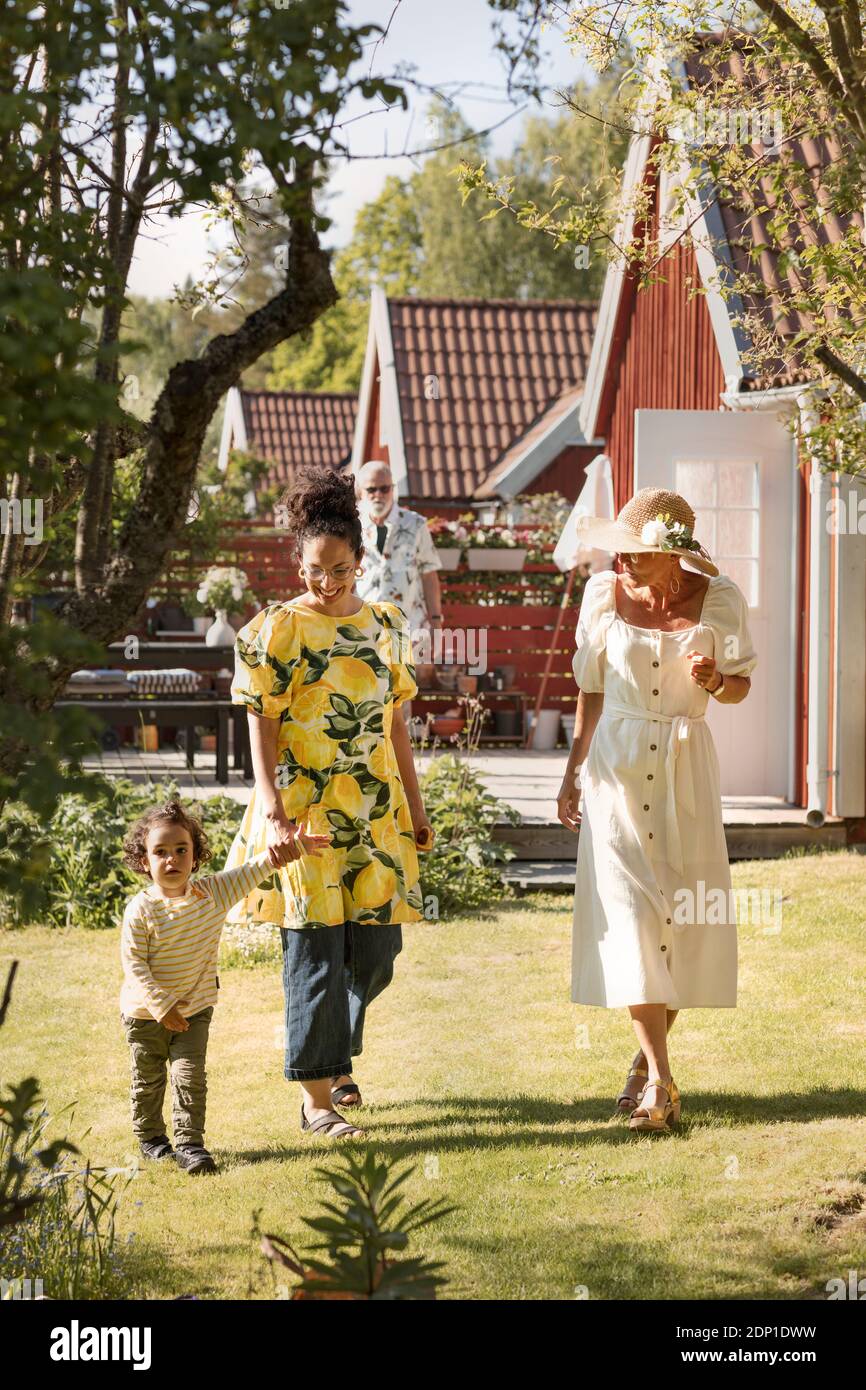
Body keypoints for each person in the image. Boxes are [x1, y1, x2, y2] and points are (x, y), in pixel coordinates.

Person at [223, 467, 434, 1140]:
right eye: (315, 570)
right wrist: (272, 811)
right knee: (313, 950)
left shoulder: (389, 625)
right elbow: (261, 719)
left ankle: (333, 1050)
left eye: (339, 569)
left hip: (375, 810)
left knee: (376, 954)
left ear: (360, 561)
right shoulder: (278, 629)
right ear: (301, 562)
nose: (326, 582)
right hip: (306, 810)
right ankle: (318, 1100)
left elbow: (397, 724)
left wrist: (417, 806)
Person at [556, 488, 757, 1134]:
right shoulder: (601, 599)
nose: (624, 566)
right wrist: (571, 772)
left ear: (674, 556)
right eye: (620, 554)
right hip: (613, 771)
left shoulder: (720, 600)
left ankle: (645, 1064)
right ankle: (663, 1085)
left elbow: (742, 684)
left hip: (684, 769)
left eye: (637, 556)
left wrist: (714, 682)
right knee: (635, 920)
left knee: (681, 922)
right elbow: (590, 687)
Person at [120, 799, 275, 1174]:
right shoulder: (140, 910)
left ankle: (191, 1146)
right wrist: (161, 1006)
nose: (171, 860)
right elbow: (134, 965)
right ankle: (152, 1139)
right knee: (149, 1079)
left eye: (180, 850)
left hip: (194, 1011)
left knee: (190, 1078)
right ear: (144, 861)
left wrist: (287, 849)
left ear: (195, 856)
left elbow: (254, 870)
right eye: (160, 852)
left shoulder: (213, 895)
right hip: (145, 1016)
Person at [354, 460, 443, 667]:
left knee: (403, 691)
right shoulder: (351, 526)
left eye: (385, 488)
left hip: (409, 622)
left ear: (393, 489)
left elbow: (429, 574)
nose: (379, 494)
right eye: (371, 489)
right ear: (361, 492)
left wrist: (436, 620)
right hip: (364, 623)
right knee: (366, 690)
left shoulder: (416, 524)